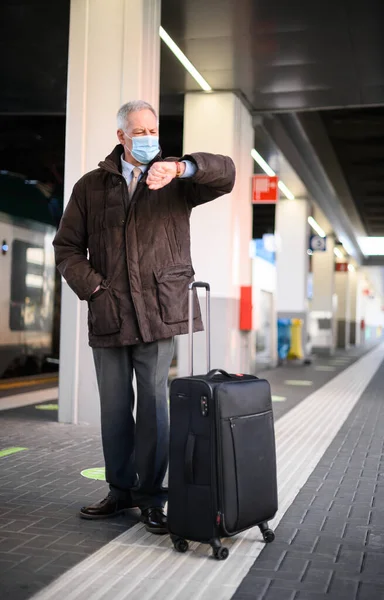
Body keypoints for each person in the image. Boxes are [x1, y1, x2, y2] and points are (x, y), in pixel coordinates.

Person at [53, 100, 235, 534]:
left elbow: (226, 172)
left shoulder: (175, 180)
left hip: (158, 310)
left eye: (152, 129)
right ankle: (120, 491)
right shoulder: (91, 187)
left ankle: (152, 498)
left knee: (155, 408)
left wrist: (183, 168)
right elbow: (66, 248)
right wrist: (95, 289)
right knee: (115, 410)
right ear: (121, 137)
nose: (147, 138)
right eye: (138, 131)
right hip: (111, 314)